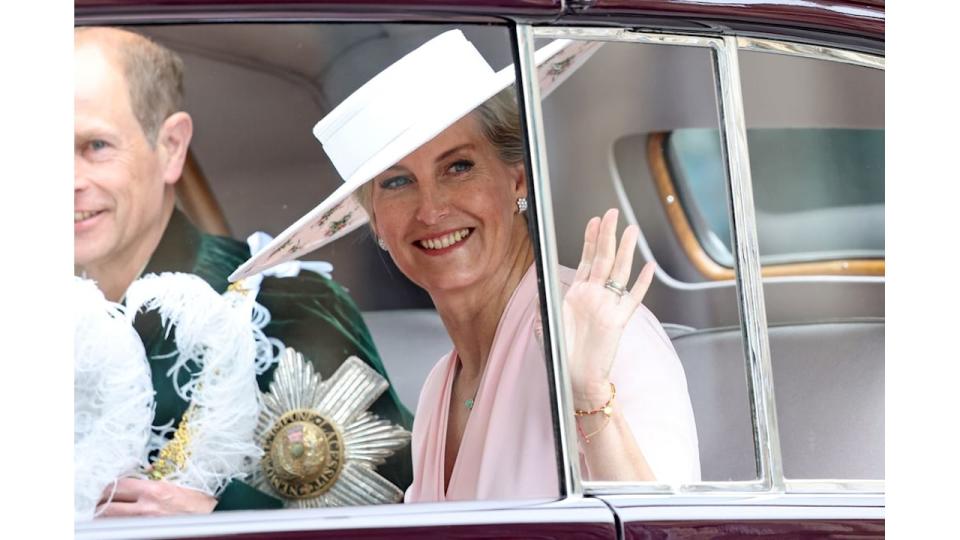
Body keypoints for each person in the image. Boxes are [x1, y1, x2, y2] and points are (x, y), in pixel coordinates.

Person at [233, 30, 699, 502]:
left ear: (518, 178)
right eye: (397, 182)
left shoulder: (603, 336)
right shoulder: (442, 386)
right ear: (375, 222)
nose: (431, 210)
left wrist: (590, 397)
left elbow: (673, 532)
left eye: (458, 167)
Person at [74, 27, 413, 515]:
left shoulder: (286, 309)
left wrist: (220, 522)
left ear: (170, 148)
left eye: (96, 146)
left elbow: (392, 517)